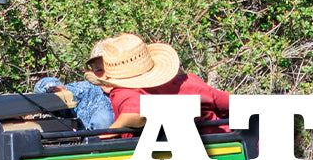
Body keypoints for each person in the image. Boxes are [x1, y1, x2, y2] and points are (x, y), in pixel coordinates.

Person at [89, 33, 232, 133]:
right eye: (99, 71)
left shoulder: (124, 93)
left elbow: (136, 114)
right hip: (226, 145)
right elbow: (228, 102)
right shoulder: (189, 81)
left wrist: (107, 135)